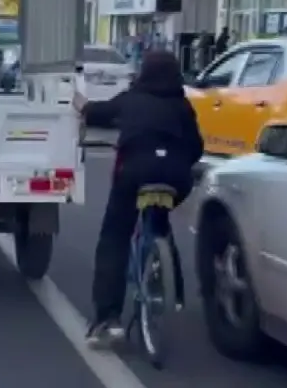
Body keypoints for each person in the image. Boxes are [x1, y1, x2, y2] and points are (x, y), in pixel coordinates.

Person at [71, 49, 205, 346]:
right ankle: (173, 289)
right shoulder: (183, 105)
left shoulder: (132, 98)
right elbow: (197, 147)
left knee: (115, 236)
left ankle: (107, 319)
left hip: (134, 174)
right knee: (160, 220)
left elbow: (96, 111)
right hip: (175, 178)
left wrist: (80, 104)